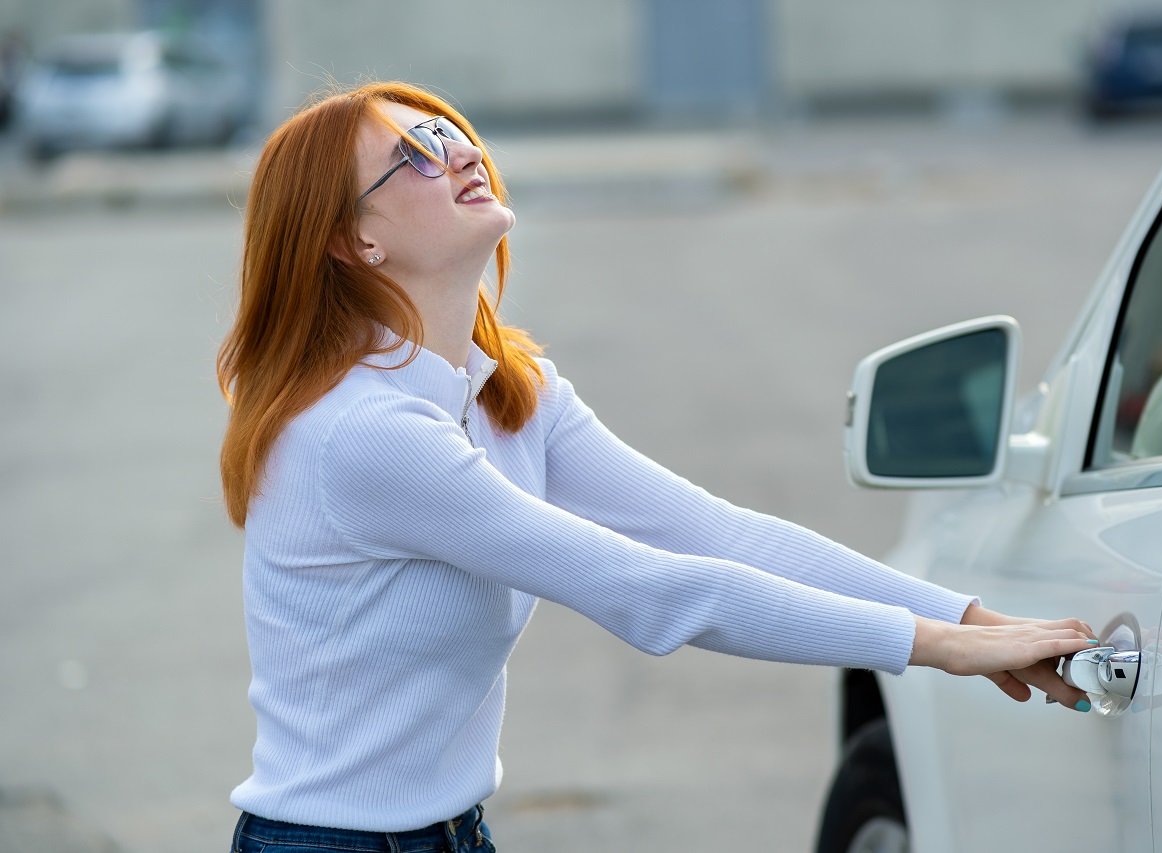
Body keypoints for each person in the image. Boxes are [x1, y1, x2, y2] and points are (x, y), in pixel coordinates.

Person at [217, 81, 1098, 853]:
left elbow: (715, 533)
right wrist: (941, 648)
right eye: (413, 154)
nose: (459, 153)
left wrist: (971, 616)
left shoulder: (509, 390)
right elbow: (655, 591)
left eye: (449, 131)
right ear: (355, 242)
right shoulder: (365, 435)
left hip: (453, 830)